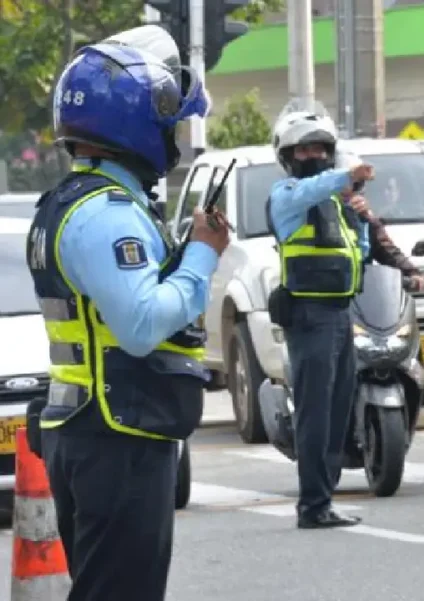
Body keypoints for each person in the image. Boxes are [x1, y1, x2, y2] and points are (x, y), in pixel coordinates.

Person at [24, 26, 223, 601]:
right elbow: (140, 326)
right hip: (118, 433)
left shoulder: (72, 203)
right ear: (132, 124)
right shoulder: (107, 214)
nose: (174, 140)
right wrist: (203, 258)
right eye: (168, 125)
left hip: (95, 428)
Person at [265, 105, 424, 529]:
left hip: (341, 314)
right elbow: (308, 192)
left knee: (337, 412)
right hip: (308, 315)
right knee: (315, 413)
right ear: (287, 157)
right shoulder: (286, 198)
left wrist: (407, 269)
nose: (313, 156)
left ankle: (325, 499)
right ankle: (312, 506)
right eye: (303, 151)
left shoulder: (341, 206)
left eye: (321, 148)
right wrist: (342, 178)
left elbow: (369, 243)